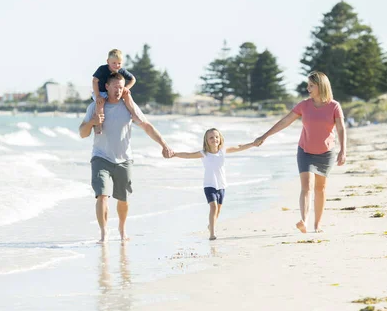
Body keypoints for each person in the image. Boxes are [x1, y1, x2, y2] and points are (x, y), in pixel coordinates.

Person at [79, 72, 174, 243]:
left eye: (121, 87)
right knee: (102, 195)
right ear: (106, 87)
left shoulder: (129, 106)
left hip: (124, 159)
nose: (118, 90)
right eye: (115, 87)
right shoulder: (95, 106)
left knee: (123, 199)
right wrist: (93, 122)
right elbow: (82, 133)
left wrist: (164, 145)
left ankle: (122, 228)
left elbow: (146, 125)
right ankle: (103, 233)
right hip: (100, 157)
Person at [254, 71, 346, 233]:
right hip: (305, 151)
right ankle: (304, 220)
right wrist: (265, 135)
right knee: (306, 186)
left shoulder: (334, 106)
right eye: (308, 85)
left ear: (321, 86)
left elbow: (340, 128)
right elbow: (285, 121)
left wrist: (343, 150)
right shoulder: (304, 105)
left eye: (311, 85)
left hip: (326, 153)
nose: (308, 88)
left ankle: (317, 225)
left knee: (320, 188)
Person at [169, 128, 258, 240]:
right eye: (211, 137)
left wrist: (253, 144)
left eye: (216, 137)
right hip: (209, 184)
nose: (214, 139)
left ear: (220, 138)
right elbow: (188, 155)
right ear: (206, 140)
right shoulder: (204, 153)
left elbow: (239, 147)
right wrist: (175, 154)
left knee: (218, 210)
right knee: (213, 207)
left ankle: (210, 226)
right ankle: (212, 234)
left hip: (221, 185)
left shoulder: (223, 151)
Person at [92, 49, 138, 134]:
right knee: (100, 102)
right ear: (108, 61)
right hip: (101, 91)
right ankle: (98, 125)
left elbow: (133, 79)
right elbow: (94, 81)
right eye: (114, 63)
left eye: (119, 63)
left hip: (115, 91)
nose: (116, 65)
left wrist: (126, 88)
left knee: (127, 95)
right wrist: (97, 95)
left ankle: (134, 116)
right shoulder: (102, 69)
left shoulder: (121, 71)